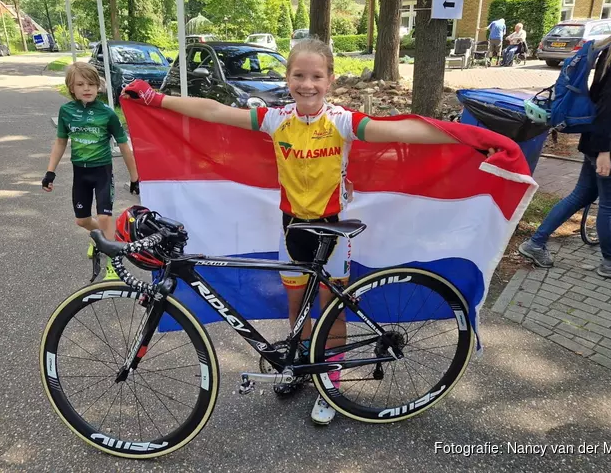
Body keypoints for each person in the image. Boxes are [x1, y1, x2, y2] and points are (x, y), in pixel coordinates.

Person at [122, 37, 461, 425]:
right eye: (299, 75)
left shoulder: (341, 121)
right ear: (288, 78)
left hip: (331, 230)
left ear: (329, 80)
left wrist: (468, 137)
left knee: (333, 312)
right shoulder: (276, 118)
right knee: (297, 306)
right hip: (291, 226)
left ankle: (330, 385)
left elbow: (402, 133)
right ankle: (300, 367)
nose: (307, 84)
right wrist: (154, 99)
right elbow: (214, 111)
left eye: (316, 76)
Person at [519, 0, 611, 287]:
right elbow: (606, 102)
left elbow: (608, 101)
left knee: (581, 195)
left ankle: (536, 243)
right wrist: (605, 150)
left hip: (603, 134)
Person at [42, 62, 140, 280]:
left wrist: (135, 177)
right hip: (81, 173)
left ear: (98, 87)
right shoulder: (66, 111)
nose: (87, 88)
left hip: (102, 171)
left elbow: (125, 146)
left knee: (105, 217)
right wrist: (50, 172)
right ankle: (100, 238)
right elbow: (60, 142)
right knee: (82, 221)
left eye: (91, 84)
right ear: (72, 88)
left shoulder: (107, 114)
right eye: (80, 84)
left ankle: (114, 265)